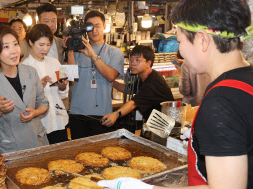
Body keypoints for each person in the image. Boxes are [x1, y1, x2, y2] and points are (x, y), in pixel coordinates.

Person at [98, 0, 253, 189]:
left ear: (202, 40)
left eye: (179, 41)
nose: (180, 52)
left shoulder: (220, 102)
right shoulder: (245, 79)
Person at [0, 25, 49, 154]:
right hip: (10, 147)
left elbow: (43, 103)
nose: (14, 51)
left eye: (15, 44)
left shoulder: (31, 72)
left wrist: (35, 113)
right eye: (6, 47)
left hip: (37, 141)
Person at [65, 10, 124, 140]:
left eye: (97, 25)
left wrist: (92, 55)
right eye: (90, 26)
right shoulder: (77, 50)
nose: (94, 30)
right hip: (77, 112)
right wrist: (70, 49)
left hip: (102, 114)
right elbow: (70, 77)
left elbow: (110, 76)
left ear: (104, 26)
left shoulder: (115, 52)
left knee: (100, 156)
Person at [101, 45, 174, 127]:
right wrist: (110, 79)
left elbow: (133, 103)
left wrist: (116, 114)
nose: (132, 63)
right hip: (155, 124)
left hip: (165, 127)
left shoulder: (153, 82)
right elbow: (128, 89)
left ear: (148, 63)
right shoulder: (142, 77)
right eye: (131, 59)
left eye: (137, 60)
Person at [23, 24, 69, 144]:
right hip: (40, 123)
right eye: (41, 45)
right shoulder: (24, 67)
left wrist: (63, 87)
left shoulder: (55, 62)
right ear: (31, 42)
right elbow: (24, 100)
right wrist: (39, 87)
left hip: (59, 120)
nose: (45, 49)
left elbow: (64, 95)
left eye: (48, 45)